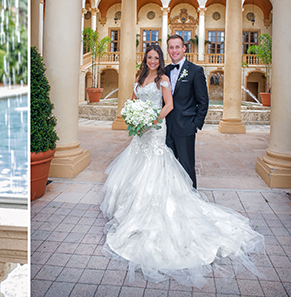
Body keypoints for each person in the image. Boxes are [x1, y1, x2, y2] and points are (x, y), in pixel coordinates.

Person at [100, 44, 264, 287]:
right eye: (150, 57)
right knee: (136, 169)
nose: (153, 60)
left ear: (163, 58)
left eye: (157, 57)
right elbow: (133, 99)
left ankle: (168, 207)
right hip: (141, 134)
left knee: (162, 168)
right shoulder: (140, 76)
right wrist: (133, 114)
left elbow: (169, 105)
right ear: (145, 59)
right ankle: (131, 211)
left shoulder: (164, 78)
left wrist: (151, 120)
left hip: (155, 128)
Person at [164, 34, 208, 188]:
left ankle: (191, 198)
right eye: (171, 47)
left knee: (186, 167)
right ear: (168, 50)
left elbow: (203, 101)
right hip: (165, 128)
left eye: (177, 47)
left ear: (184, 48)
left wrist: (195, 124)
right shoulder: (164, 71)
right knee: (166, 166)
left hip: (185, 127)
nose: (174, 50)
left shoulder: (196, 71)